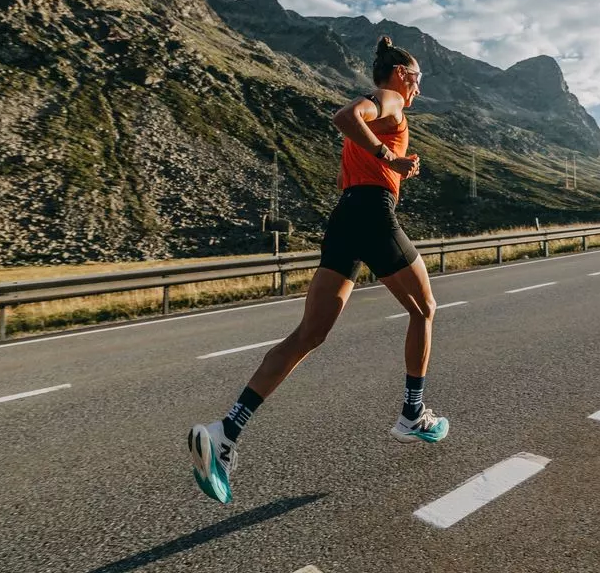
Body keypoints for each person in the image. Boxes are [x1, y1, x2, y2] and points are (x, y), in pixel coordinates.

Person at [187, 35, 449, 504]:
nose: (418, 89)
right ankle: (412, 414)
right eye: (418, 78)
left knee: (308, 335)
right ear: (401, 75)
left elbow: (351, 156)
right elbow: (345, 117)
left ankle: (224, 432)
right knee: (425, 308)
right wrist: (391, 159)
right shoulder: (389, 99)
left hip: (347, 217)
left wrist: (387, 166)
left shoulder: (388, 111)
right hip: (370, 213)